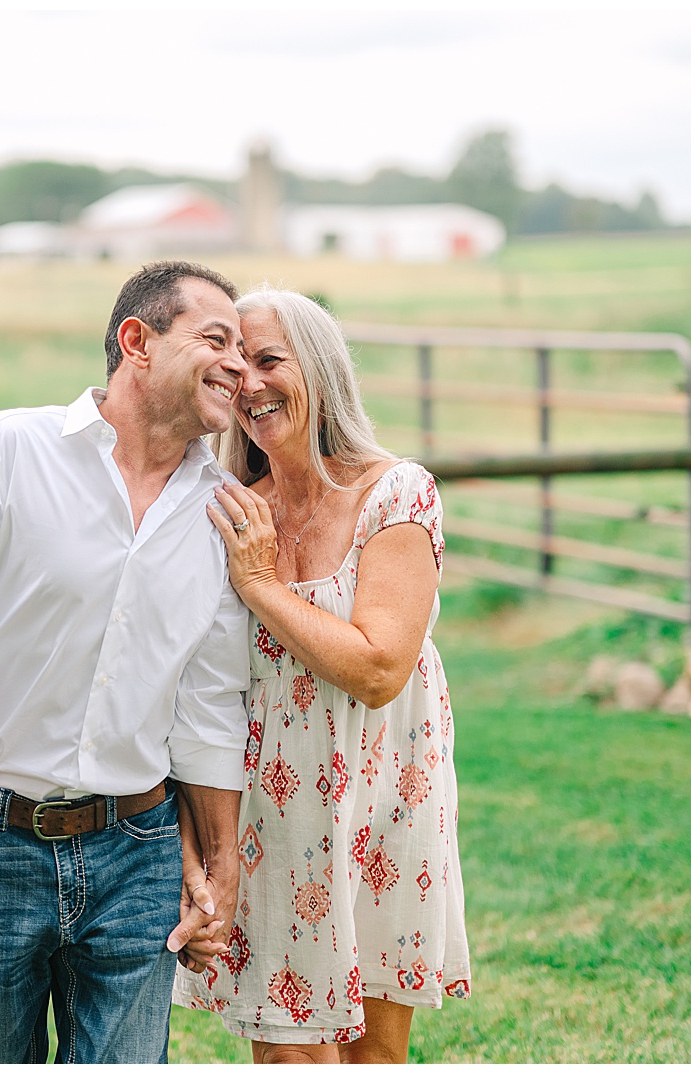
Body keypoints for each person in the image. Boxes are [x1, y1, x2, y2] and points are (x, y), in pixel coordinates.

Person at [0, 261, 252, 1064]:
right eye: (216, 339)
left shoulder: (222, 510)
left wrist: (216, 868)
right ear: (137, 342)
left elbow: (209, 701)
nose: (238, 365)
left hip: (139, 852)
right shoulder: (6, 451)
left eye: (248, 351)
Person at [173, 287, 471, 1063]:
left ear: (321, 368)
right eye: (237, 371)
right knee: (287, 1052)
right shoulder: (234, 511)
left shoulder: (395, 494)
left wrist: (263, 588)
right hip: (271, 815)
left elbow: (379, 668)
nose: (253, 386)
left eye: (271, 361)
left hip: (385, 801)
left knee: (375, 1053)